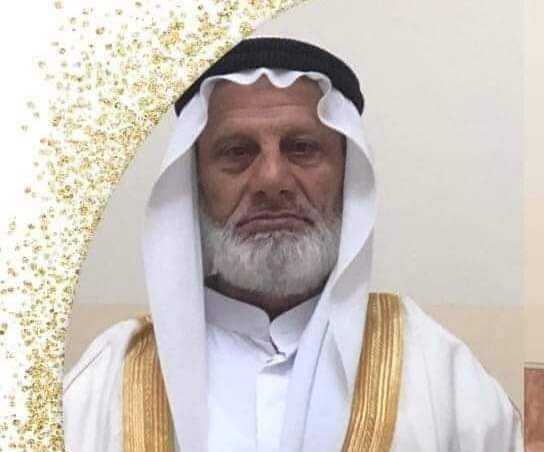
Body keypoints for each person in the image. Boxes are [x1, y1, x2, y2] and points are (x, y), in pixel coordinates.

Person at [63, 37, 522, 452]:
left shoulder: (436, 370)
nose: (271, 179)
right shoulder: (107, 381)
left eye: (302, 148)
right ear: (195, 184)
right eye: (237, 152)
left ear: (347, 176)